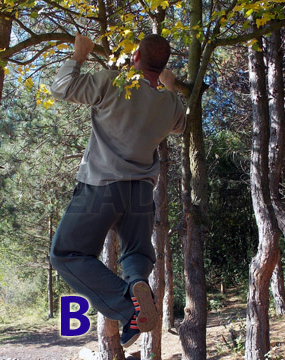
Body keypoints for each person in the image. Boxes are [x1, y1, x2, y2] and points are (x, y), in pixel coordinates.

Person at [49, 33, 186, 347]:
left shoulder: (113, 83)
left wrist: (79, 54)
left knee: (66, 254)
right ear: (163, 66)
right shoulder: (169, 103)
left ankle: (129, 306)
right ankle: (137, 284)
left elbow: (61, 88)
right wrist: (170, 86)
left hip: (102, 187)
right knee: (137, 253)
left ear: (135, 56)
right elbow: (181, 124)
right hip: (140, 193)